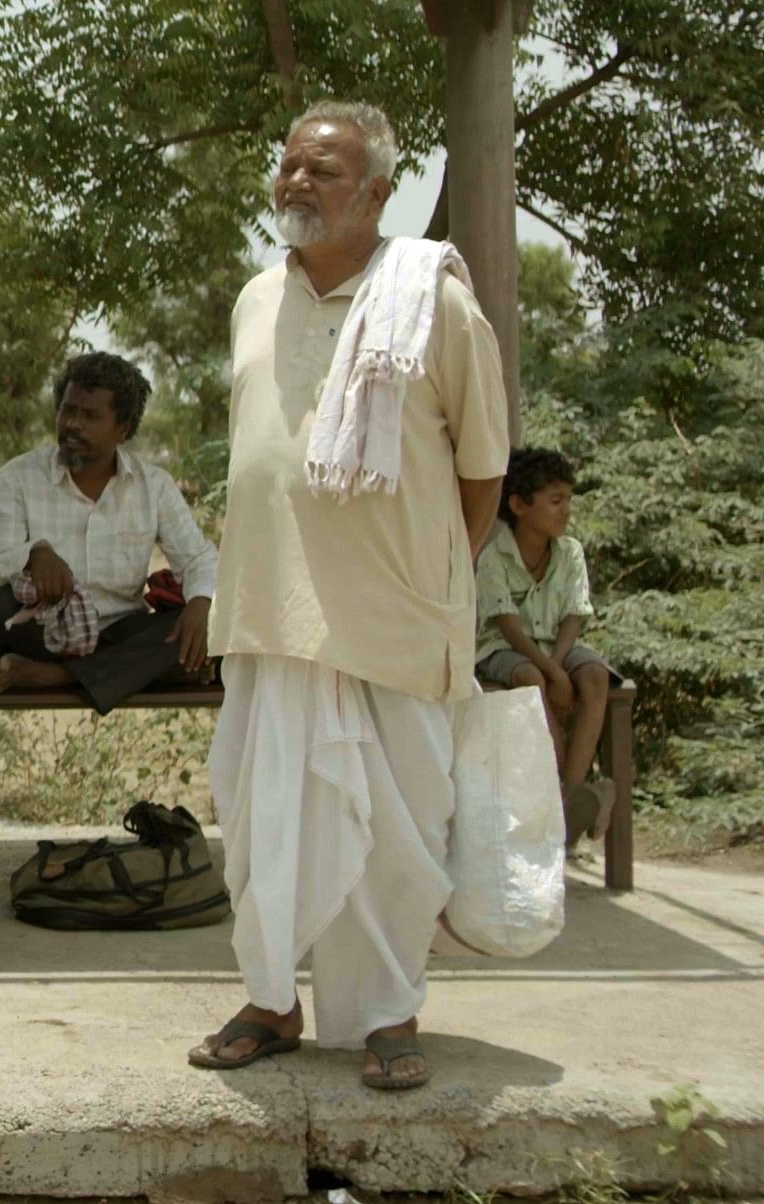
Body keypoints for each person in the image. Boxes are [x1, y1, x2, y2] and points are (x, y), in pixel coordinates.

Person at [191, 101, 506, 1092]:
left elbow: (482, 469)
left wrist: (423, 573)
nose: (297, 181)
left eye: (323, 169)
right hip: (268, 614)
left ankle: (385, 1016)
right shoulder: (253, 298)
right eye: (288, 165)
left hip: (395, 618)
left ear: (377, 191)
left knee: (394, 830)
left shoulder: (433, 301)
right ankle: (271, 1001)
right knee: (260, 817)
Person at [0, 352, 221, 709]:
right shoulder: (18, 477)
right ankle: (132, 672)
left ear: (122, 429)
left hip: (123, 633)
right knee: (1, 609)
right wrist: (33, 556)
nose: (72, 424)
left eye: (90, 416)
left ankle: (60, 677)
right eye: (67, 411)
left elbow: (199, 559)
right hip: (47, 634)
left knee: (202, 625)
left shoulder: (154, 486)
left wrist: (200, 604)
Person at [477, 447, 615, 844]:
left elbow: (574, 613)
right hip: (504, 647)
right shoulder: (495, 557)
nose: (565, 510)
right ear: (519, 505)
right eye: (556, 501)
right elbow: (506, 624)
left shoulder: (570, 552)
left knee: (593, 676)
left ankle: (570, 795)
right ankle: (559, 787)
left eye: (569, 500)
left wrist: (560, 665)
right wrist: (552, 673)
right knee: (528, 676)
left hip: (558, 645)